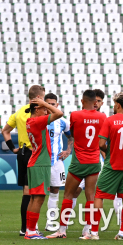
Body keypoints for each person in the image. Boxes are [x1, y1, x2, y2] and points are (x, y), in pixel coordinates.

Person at [47, 89, 106, 240]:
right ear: (95, 103)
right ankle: (88, 231)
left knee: (68, 195)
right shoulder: (102, 116)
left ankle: (62, 230)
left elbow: (73, 133)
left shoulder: (75, 115)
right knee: (91, 197)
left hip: (78, 161)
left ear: (82, 101)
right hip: (94, 161)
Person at [90, 92, 123, 241]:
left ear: (118, 105)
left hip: (112, 165)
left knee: (99, 196)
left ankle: (94, 232)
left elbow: (101, 144)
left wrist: (110, 150)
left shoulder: (110, 120)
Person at [1, 84, 43, 236]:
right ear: (38, 98)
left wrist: (13, 148)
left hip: (23, 153)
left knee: (26, 191)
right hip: (36, 153)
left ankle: (24, 227)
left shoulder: (19, 113)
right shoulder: (39, 113)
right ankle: (32, 227)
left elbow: (5, 131)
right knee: (36, 193)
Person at [23, 96, 66, 240]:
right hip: (41, 163)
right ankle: (31, 232)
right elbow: (59, 113)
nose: (46, 111)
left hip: (35, 161)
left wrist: (43, 105)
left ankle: (30, 230)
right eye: (43, 108)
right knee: (39, 199)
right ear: (36, 108)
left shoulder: (30, 121)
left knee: (33, 198)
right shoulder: (37, 120)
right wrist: (44, 103)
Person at [44, 93, 72, 231]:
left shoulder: (62, 122)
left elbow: (71, 136)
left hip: (57, 162)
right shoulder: (38, 120)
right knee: (37, 193)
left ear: (57, 105)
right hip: (40, 162)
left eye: (53, 104)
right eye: (48, 104)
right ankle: (32, 224)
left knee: (55, 190)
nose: (50, 107)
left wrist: (68, 150)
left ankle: (51, 221)